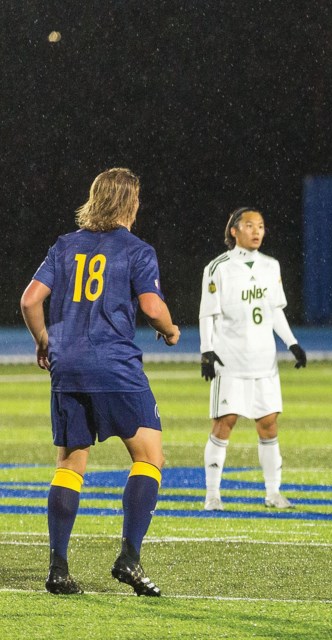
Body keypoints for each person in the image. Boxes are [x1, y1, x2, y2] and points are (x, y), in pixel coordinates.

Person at [20, 167, 180, 596]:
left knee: (70, 464)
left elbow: (30, 299)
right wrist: (168, 328)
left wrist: (43, 340)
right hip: (114, 365)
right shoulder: (137, 249)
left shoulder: (65, 246)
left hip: (67, 365)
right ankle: (129, 556)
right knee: (150, 457)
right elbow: (151, 304)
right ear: (130, 203)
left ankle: (57, 567)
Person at [199, 207, 307, 511]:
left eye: (260, 226)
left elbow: (274, 310)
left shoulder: (271, 266)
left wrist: (292, 343)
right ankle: (212, 495)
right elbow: (208, 313)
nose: (257, 231)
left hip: (264, 363)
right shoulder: (218, 267)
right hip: (230, 361)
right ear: (234, 231)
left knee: (269, 425)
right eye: (250, 225)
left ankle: (273, 493)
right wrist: (207, 352)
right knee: (224, 424)